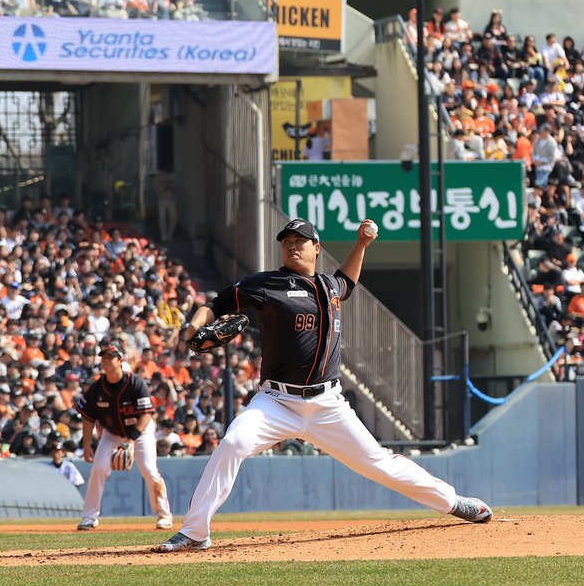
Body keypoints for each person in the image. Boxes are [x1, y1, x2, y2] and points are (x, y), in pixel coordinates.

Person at [156, 218, 491, 552]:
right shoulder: (267, 284)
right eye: (286, 240)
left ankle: (454, 502)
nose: (291, 245)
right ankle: (196, 531)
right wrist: (193, 327)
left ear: (316, 248)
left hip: (328, 405)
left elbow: (348, 280)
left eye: (299, 240)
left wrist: (360, 244)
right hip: (276, 401)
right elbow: (216, 304)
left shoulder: (331, 286)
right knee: (232, 444)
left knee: (380, 463)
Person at [76, 342, 173, 531]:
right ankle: (89, 517)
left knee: (149, 469)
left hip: (140, 432)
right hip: (112, 434)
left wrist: (130, 440)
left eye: (110, 357)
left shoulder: (134, 382)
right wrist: (87, 444)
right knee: (98, 468)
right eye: (103, 357)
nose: (106, 361)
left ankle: (164, 515)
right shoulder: (97, 387)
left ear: (120, 361)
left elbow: (146, 414)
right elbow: (87, 417)